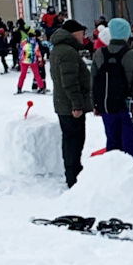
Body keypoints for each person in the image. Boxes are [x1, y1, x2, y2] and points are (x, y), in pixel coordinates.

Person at [92, 18, 133, 160]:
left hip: (108, 105)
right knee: (132, 143)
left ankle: (115, 174)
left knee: (113, 142)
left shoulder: (99, 54)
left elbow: (94, 82)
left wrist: (95, 104)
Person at [49, 16, 93, 187]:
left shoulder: (60, 49)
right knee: (74, 141)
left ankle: (73, 171)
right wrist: (77, 104)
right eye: (81, 33)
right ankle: (73, 175)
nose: (83, 37)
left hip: (63, 104)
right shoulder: (67, 52)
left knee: (71, 140)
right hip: (70, 106)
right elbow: (69, 81)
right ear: (74, 33)